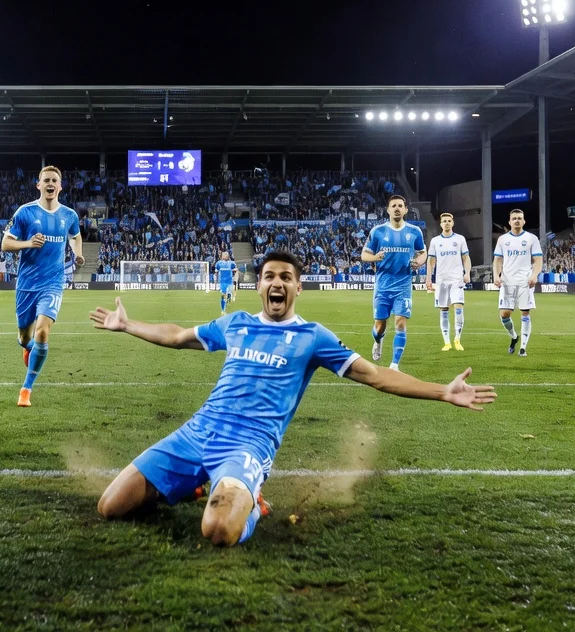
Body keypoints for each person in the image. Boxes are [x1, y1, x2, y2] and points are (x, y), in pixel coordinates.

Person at [89, 250, 495, 547]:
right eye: (269, 276)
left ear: (298, 287)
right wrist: (127, 325)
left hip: (248, 445)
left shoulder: (313, 336)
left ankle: (251, 504)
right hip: (198, 431)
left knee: (216, 531)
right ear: (259, 285)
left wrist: (442, 390)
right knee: (110, 506)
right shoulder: (236, 323)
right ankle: (193, 483)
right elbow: (177, 336)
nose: (277, 283)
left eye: (285, 277)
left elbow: (376, 376)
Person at [0, 166, 83, 407]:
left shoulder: (69, 215)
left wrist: (77, 254)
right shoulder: (25, 213)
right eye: (46, 180)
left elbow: (75, 236)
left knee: (43, 332)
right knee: (25, 336)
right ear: (39, 185)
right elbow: (6, 244)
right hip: (27, 284)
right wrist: (28, 243)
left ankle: (26, 389)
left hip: (53, 282)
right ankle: (26, 347)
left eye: (54, 180)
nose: (50, 184)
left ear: (60, 186)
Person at [359, 194, 426, 369]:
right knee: (380, 326)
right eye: (393, 205)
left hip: (403, 286)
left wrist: (419, 261)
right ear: (388, 210)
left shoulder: (414, 232)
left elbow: (423, 252)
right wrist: (374, 257)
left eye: (400, 205)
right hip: (383, 286)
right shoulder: (378, 231)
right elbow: (363, 255)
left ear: (405, 210)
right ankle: (378, 341)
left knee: (400, 323)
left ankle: (394, 364)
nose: (396, 208)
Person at [492, 209, 543, 357]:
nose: (516, 220)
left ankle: (523, 348)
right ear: (509, 222)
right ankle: (514, 336)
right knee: (504, 314)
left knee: (525, 312)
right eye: (514, 218)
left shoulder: (531, 238)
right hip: (507, 282)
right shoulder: (502, 239)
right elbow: (498, 259)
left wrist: (534, 275)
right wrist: (496, 275)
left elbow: (538, 259)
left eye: (519, 218)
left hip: (525, 281)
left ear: (524, 221)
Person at [427, 212, 471, 351]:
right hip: (441, 281)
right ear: (440, 224)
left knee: (458, 307)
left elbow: (466, 257)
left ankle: (457, 339)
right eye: (444, 221)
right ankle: (447, 342)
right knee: (444, 309)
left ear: (452, 223)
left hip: (457, 279)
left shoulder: (460, 239)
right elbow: (431, 261)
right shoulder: (435, 241)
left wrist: (467, 272)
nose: (446, 223)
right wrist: (428, 278)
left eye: (449, 221)